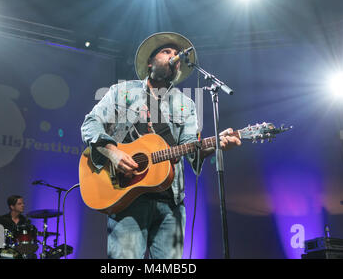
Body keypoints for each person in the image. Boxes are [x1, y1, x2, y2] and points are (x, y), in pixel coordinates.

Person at [81, 32, 241, 259]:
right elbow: (90, 125)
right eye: (167, 51)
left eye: (177, 54)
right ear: (150, 62)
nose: (174, 56)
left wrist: (215, 143)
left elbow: (190, 147)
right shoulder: (122, 91)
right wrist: (113, 153)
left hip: (171, 203)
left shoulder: (186, 103)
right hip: (127, 197)